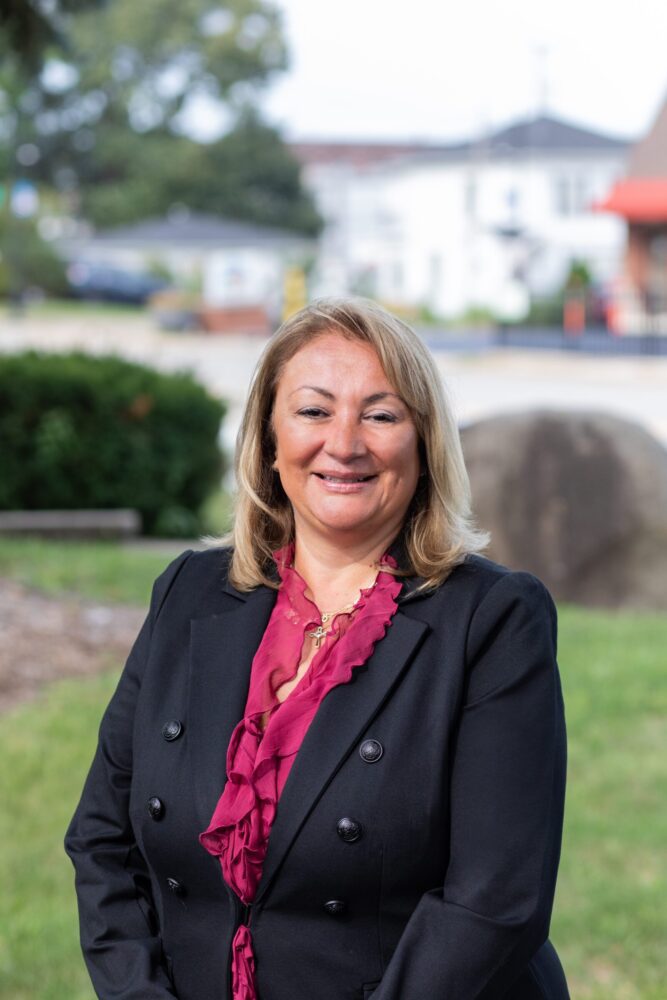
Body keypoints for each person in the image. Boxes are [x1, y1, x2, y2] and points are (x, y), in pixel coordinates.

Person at [65, 297, 569, 999]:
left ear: (423, 444)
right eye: (313, 411)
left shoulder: (492, 619)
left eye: (381, 414)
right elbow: (101, 839)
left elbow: (494, 903)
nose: (345, 442)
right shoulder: (187, 593)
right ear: (269, 440)